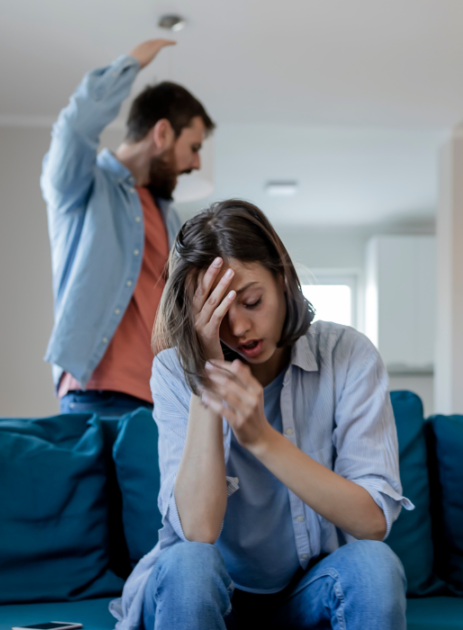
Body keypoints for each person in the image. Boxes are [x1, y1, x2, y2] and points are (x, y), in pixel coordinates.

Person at [110, 199, 412, 630]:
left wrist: (262, 439)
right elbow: (197, 530)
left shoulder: (348, 355)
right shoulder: (173, 372)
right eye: (216, 313)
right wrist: (204, 374)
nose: (240, 329)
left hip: (309, 592)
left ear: (282, 277)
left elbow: (371, 523)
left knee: (374, 566)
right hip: (211, 596)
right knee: (190, 564)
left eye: (252, 301)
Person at [40, 39, 215, 418]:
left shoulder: (169, 218)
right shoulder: (82, 188)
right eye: (194, 147)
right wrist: (129, 66)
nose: (196, 163)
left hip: (162, 398)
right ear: (163, 133)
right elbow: (73, 130)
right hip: (94, 392)